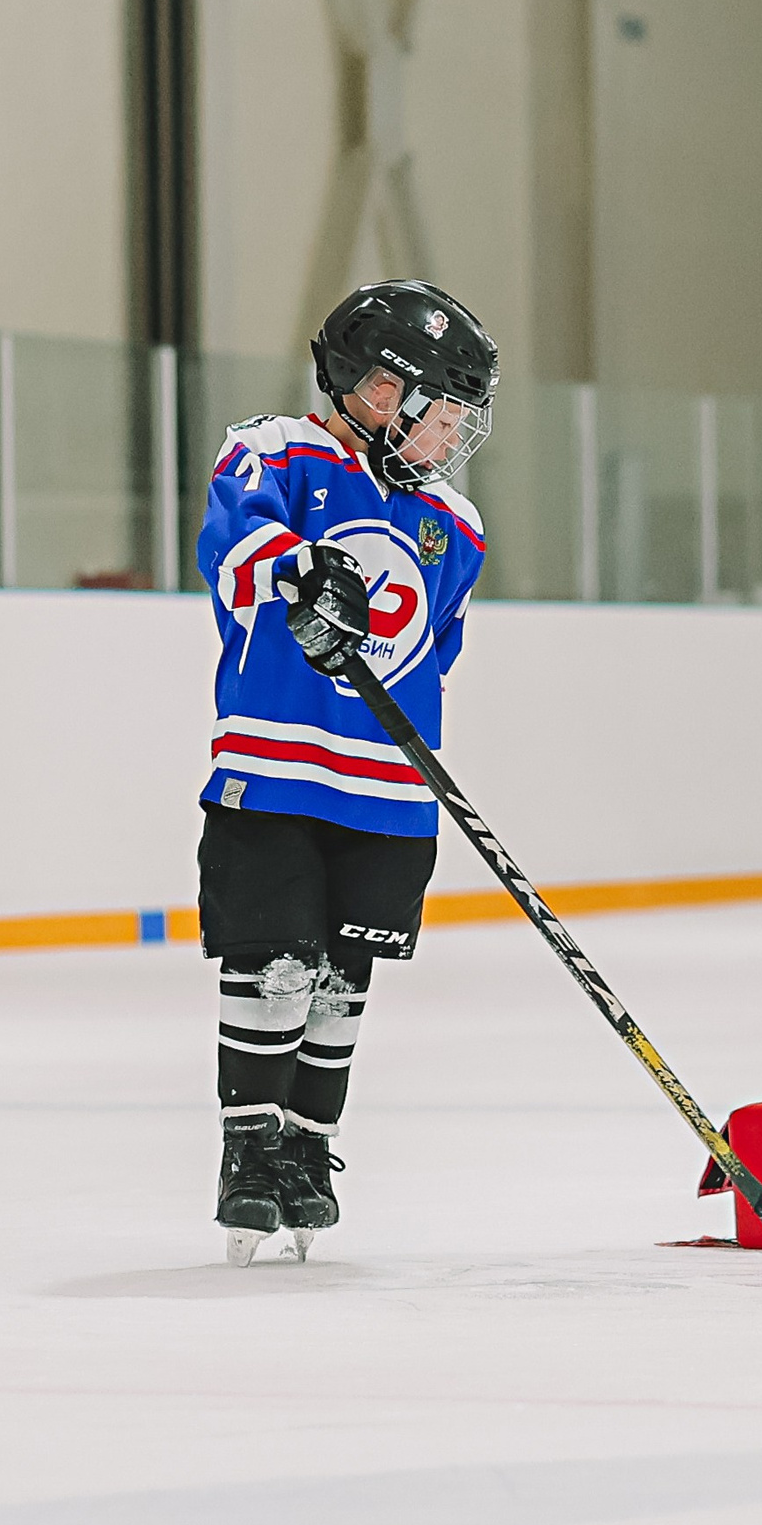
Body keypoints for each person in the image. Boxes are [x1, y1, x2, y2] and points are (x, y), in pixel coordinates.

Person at [192, 279, 497, 1266]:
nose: (448, 437)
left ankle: (309, 1148)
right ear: (375, 390)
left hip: (389, 790)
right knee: (273, 961)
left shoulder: (457, 523)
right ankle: (250, 1151)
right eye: (437, 412)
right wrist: (297, 570)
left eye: (459, 420)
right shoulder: (276, 451)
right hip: (276, 767)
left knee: (340, 979)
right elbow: (232, 547)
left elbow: (435, 652)